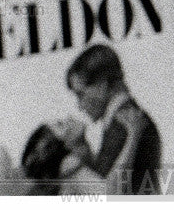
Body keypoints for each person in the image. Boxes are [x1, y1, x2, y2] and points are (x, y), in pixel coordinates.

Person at [54, 44, 162, 195]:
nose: (79, 106)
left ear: (102, 85)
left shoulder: (123, 124)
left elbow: (108, 194)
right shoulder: (124, 120)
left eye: (80, 94)